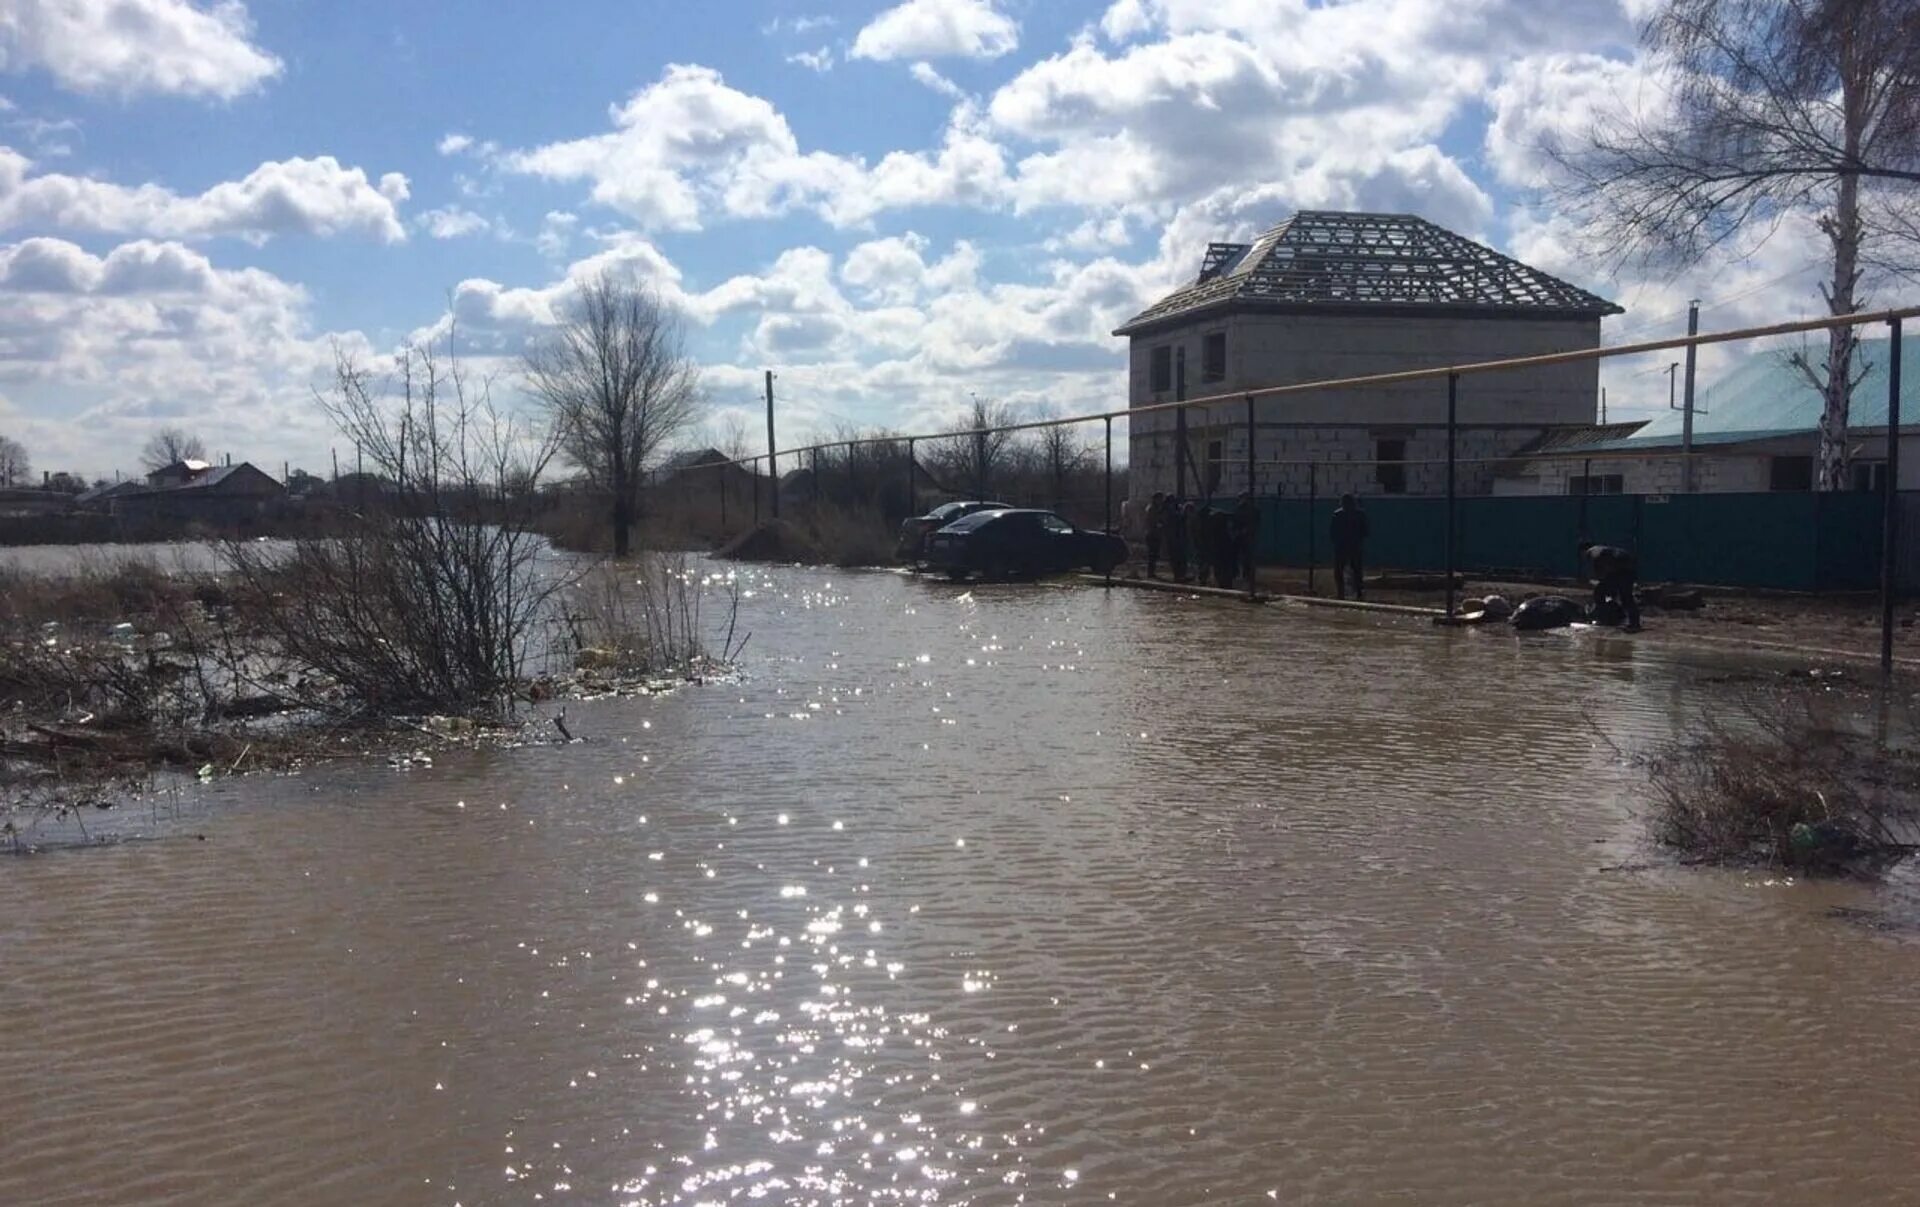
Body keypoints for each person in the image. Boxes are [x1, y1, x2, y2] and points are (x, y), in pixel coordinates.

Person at [1582, 542, 1642, 631]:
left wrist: (1602, 579)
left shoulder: (1592, 551)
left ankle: (1602, 617)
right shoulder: (1605, 548)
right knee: (1626, 597)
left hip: (1619, 570)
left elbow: (1600, 567)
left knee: (1599, 592)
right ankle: (1634, 623)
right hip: (1628, 570)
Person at [1330, 493, 1368, 600]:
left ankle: (1341, 593)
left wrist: (1337, 541)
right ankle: (1359, 593)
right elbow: (1366, 531)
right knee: (1356, 570)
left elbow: (1332, 532)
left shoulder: (1337, 514)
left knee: (1339, 571)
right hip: (1355, 546)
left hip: (1341, 546)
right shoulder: (1360, 514)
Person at [1233, 491, 1260, 585]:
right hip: (1239, 535)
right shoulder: (1239, 509)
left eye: (1244, 498)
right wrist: (1236, 531)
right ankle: (1239, 574)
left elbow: (1255, 522)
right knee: (1238, 556)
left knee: (1248, 557)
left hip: (1248, 536)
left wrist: (1247, 530)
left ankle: (1247, 575)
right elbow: (1235, 521)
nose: (1242, 500)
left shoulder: (1252, 509)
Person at [1208, 506, 1238, 589]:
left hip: (1220, 551)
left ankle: (1224, 582)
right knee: (1223, 567)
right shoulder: (1221, 531)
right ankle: (1224, 582)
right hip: (1222, 551)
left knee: (1222, 567)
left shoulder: (1217, 530)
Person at [1187, 500, 1211, 586]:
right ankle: (1202, 576)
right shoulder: (1194, 518)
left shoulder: (1194, 518)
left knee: (1201, 559)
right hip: (1199, 541)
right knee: (1201, 559)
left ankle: (1202, 576)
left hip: (1199, 541)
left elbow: (1196, 531)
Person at [1168, 499, 1192, 583]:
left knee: (1182, 559)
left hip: (1180, 540)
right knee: (1178, 559)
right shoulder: (1177, 517)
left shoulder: (1181, 518)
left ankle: (1181, 576)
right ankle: (1178, 576)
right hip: (1176, 541)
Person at [1144, 491, 1166, 578]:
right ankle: (1150, 572)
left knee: (1155, 554)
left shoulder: (1157, 508)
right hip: (1152, 534)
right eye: (1159, 499)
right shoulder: (1152, 509)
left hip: (1156, 534)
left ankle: (1152, 571)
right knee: (1152, 554)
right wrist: (1159, 524)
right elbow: (1152, 521)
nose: (1161, 501)